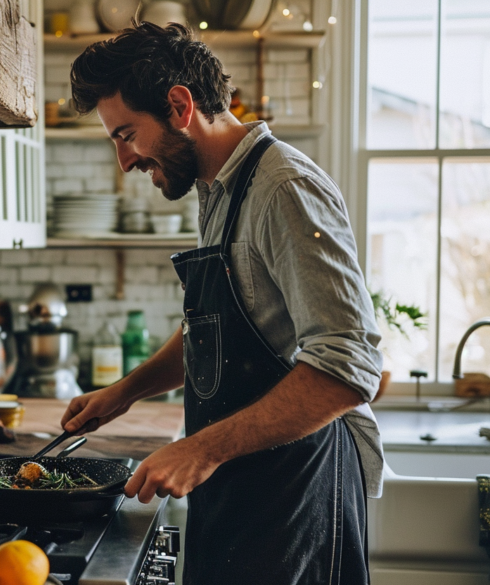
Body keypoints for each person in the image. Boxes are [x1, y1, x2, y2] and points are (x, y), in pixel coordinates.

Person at [59, 23, 385, 584]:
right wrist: (125, 391)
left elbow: (347, 367)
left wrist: (200, 451)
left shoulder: (284, 188)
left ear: (180, 105)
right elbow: (217, 332)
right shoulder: (219, 187)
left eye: (126, 134)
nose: (125, 161)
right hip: (244, 478)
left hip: (299, 487)